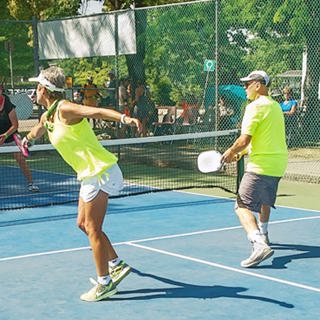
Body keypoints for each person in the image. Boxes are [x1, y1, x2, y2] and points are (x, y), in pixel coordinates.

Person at [24, 66, 141, 302]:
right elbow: (39, 128)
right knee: (82, 224)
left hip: (101, 171)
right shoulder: (50, 114)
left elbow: (96, 111)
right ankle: (116, 264)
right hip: (89, 174)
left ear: (43, 89)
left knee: (92, 228)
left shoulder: (66, 109)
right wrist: (26, 140)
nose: (34, 91)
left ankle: (105, 284)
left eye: (37, 87)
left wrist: (123, 117)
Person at [221, 70, 288, 268]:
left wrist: (231, 151)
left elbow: (245, 139)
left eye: (247, 84)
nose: (245, 87)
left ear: (258, 85)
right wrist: (240, 154)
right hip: (278, 164)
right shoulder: (276, 107)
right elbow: (262, 140)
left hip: (261, 166)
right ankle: (264, 235)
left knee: (241, 206)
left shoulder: (254, 107)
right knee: (264, 201)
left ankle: (258, 244)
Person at [0, 84, 39, 192]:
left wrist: (5, 135)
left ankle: (31, 183)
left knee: (21, 160)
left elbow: (15, 125)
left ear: (1, 90)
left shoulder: (8, 104)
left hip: (10, 136)